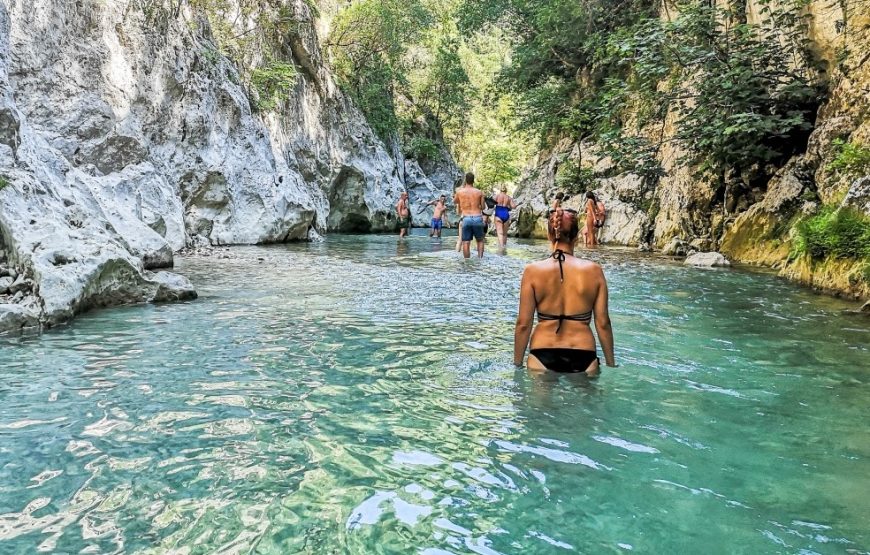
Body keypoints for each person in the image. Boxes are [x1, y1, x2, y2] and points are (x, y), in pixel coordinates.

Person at [513, 207, 616, 376]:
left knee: (540, 404)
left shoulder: (532, 271)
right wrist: (611, 364)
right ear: (576, 237)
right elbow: (603, 323)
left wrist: (516, 364)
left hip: (542, 351)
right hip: (583, 352)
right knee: (584, 403)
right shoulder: (594, 271)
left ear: (549, 235)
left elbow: (523, 324)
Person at [453, 172, 487, 258]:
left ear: (465, 180)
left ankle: (467, 262)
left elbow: (455, 201)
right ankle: (480, 260)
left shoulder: (460, 192)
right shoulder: (479, 192)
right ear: (473, 180)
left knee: (466, 242)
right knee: (480, 241)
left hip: (466, 218)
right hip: (477, 217)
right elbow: (483, 207)